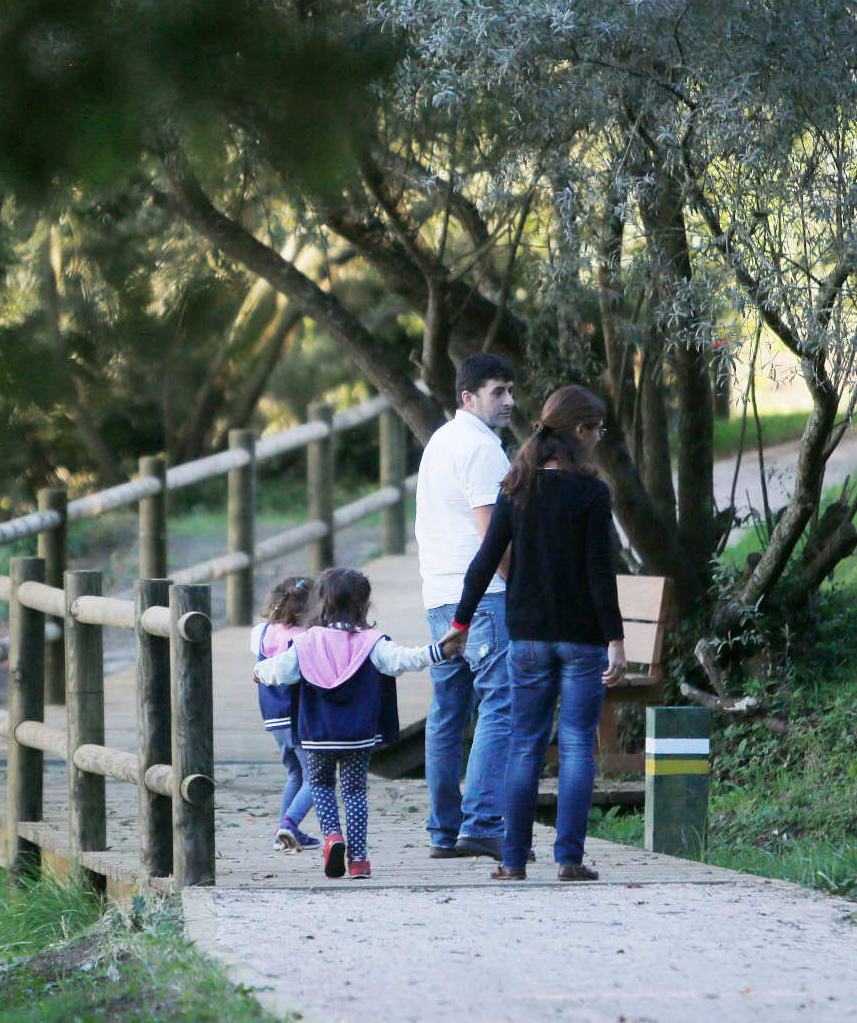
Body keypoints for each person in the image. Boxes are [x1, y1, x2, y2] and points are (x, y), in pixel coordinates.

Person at [452, 384, 626, 883]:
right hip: (582, 639)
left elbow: (485, 560)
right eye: (596, 429)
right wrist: (615, 639)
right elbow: (600, 573)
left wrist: (461, 623)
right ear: (580, 431)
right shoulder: (591, 492)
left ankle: (512, 860)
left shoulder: (517, 487)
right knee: (576, 747)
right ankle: (568, 859)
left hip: (527, 637)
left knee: (524, 746)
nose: (598, 438)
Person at [255, 567, 467, 879]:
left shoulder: (307, 642)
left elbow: (280, 671)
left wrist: (259, 672)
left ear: (321, 602)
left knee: (321, 785)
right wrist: (439, 651)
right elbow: (403, 659)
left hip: (317, 734)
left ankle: (332, 837)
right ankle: (358, 860)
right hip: (358, 734)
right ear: (364, 604)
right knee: (355, 792)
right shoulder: (371, 641)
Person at [414, 351, 517, 859]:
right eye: (498, 392)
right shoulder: (482, 449)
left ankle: (443, 831)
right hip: (483, 597)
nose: (509, 401)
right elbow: (491, 535)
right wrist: (521, 585)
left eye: (511, 390)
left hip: (439, 595)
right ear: (468, 397)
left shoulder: (440, 441)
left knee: (448, 712)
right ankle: (482, 823)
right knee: (502, 703)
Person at [251, 576, 320, 853]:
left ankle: (283, 834)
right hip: (297, 714)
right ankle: (289, 825)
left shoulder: (262, 632)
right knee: (316, 778)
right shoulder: (303, 638)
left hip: (273, 716)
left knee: (295, 774)